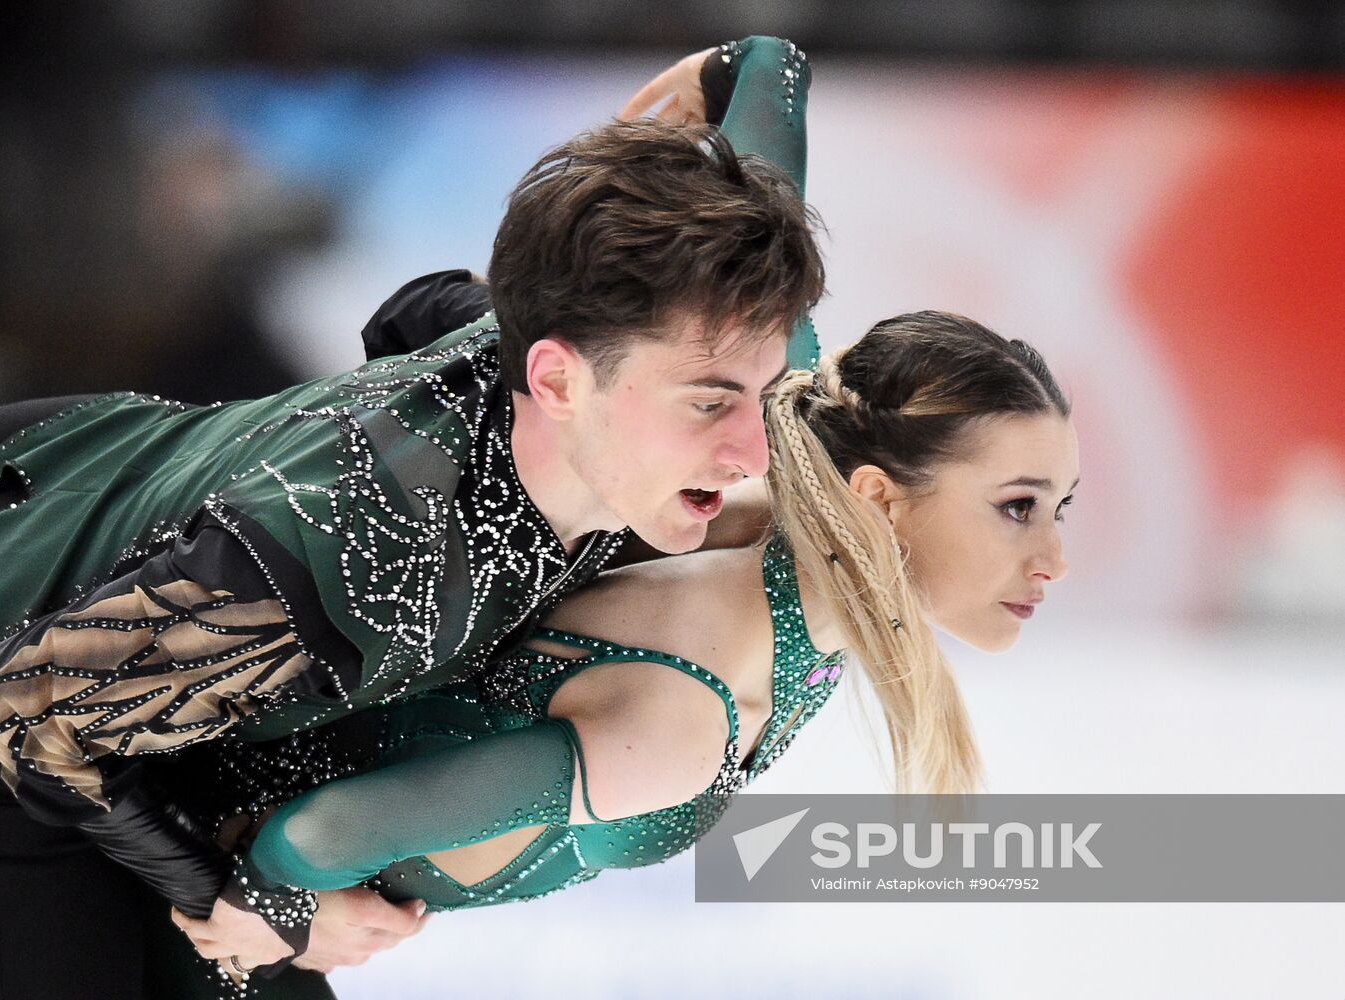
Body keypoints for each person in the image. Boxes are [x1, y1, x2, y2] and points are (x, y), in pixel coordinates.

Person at [0, 38, 822, 1000]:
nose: (756, 450)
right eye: (710, 403)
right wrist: (277, 909)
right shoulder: (368, 568)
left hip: (94, 534)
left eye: (765, 391)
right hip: (10, 713)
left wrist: (727, 90)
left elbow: (415, 310)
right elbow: (27, 715)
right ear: (557, 379)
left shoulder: (519, 344)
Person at [162, 308, 1078, 999]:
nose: (1054, 559)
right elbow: (314, 838)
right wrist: (276, 915)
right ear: (877, 499)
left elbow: (763, 95)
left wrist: (743, 75)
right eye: (1017, 507)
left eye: (1059, 507)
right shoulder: (685, 712)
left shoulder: (774, 488)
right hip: (172, 880)